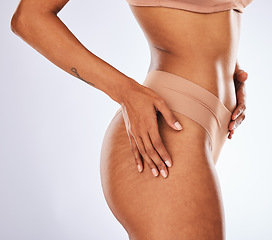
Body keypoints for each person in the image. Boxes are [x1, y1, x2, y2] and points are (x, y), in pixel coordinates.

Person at [10, 0, 251, 239]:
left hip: (203, 122)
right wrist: (126, 92)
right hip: (164, 129)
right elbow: (28, 18)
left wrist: (231, 70)